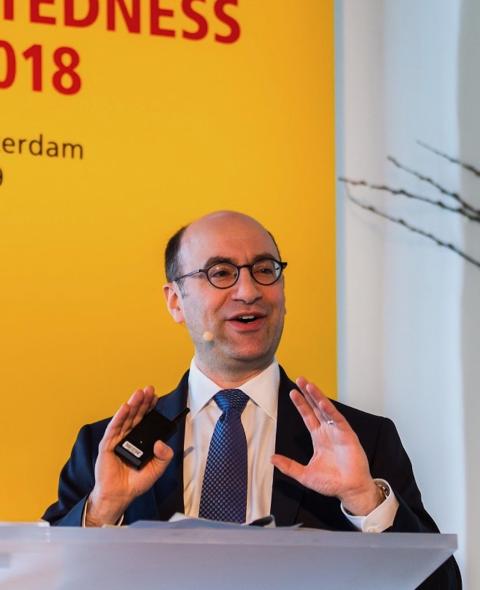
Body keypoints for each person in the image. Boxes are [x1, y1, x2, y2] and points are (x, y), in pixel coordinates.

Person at [43, 211, 461, 588]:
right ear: (175, 301)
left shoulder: (362, 440)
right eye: (221, 273)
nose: (249, 290)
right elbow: (42, 578)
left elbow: (441, 586)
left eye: (265, 270)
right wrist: (101, 510)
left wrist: (365, 502)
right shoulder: (109, 449)